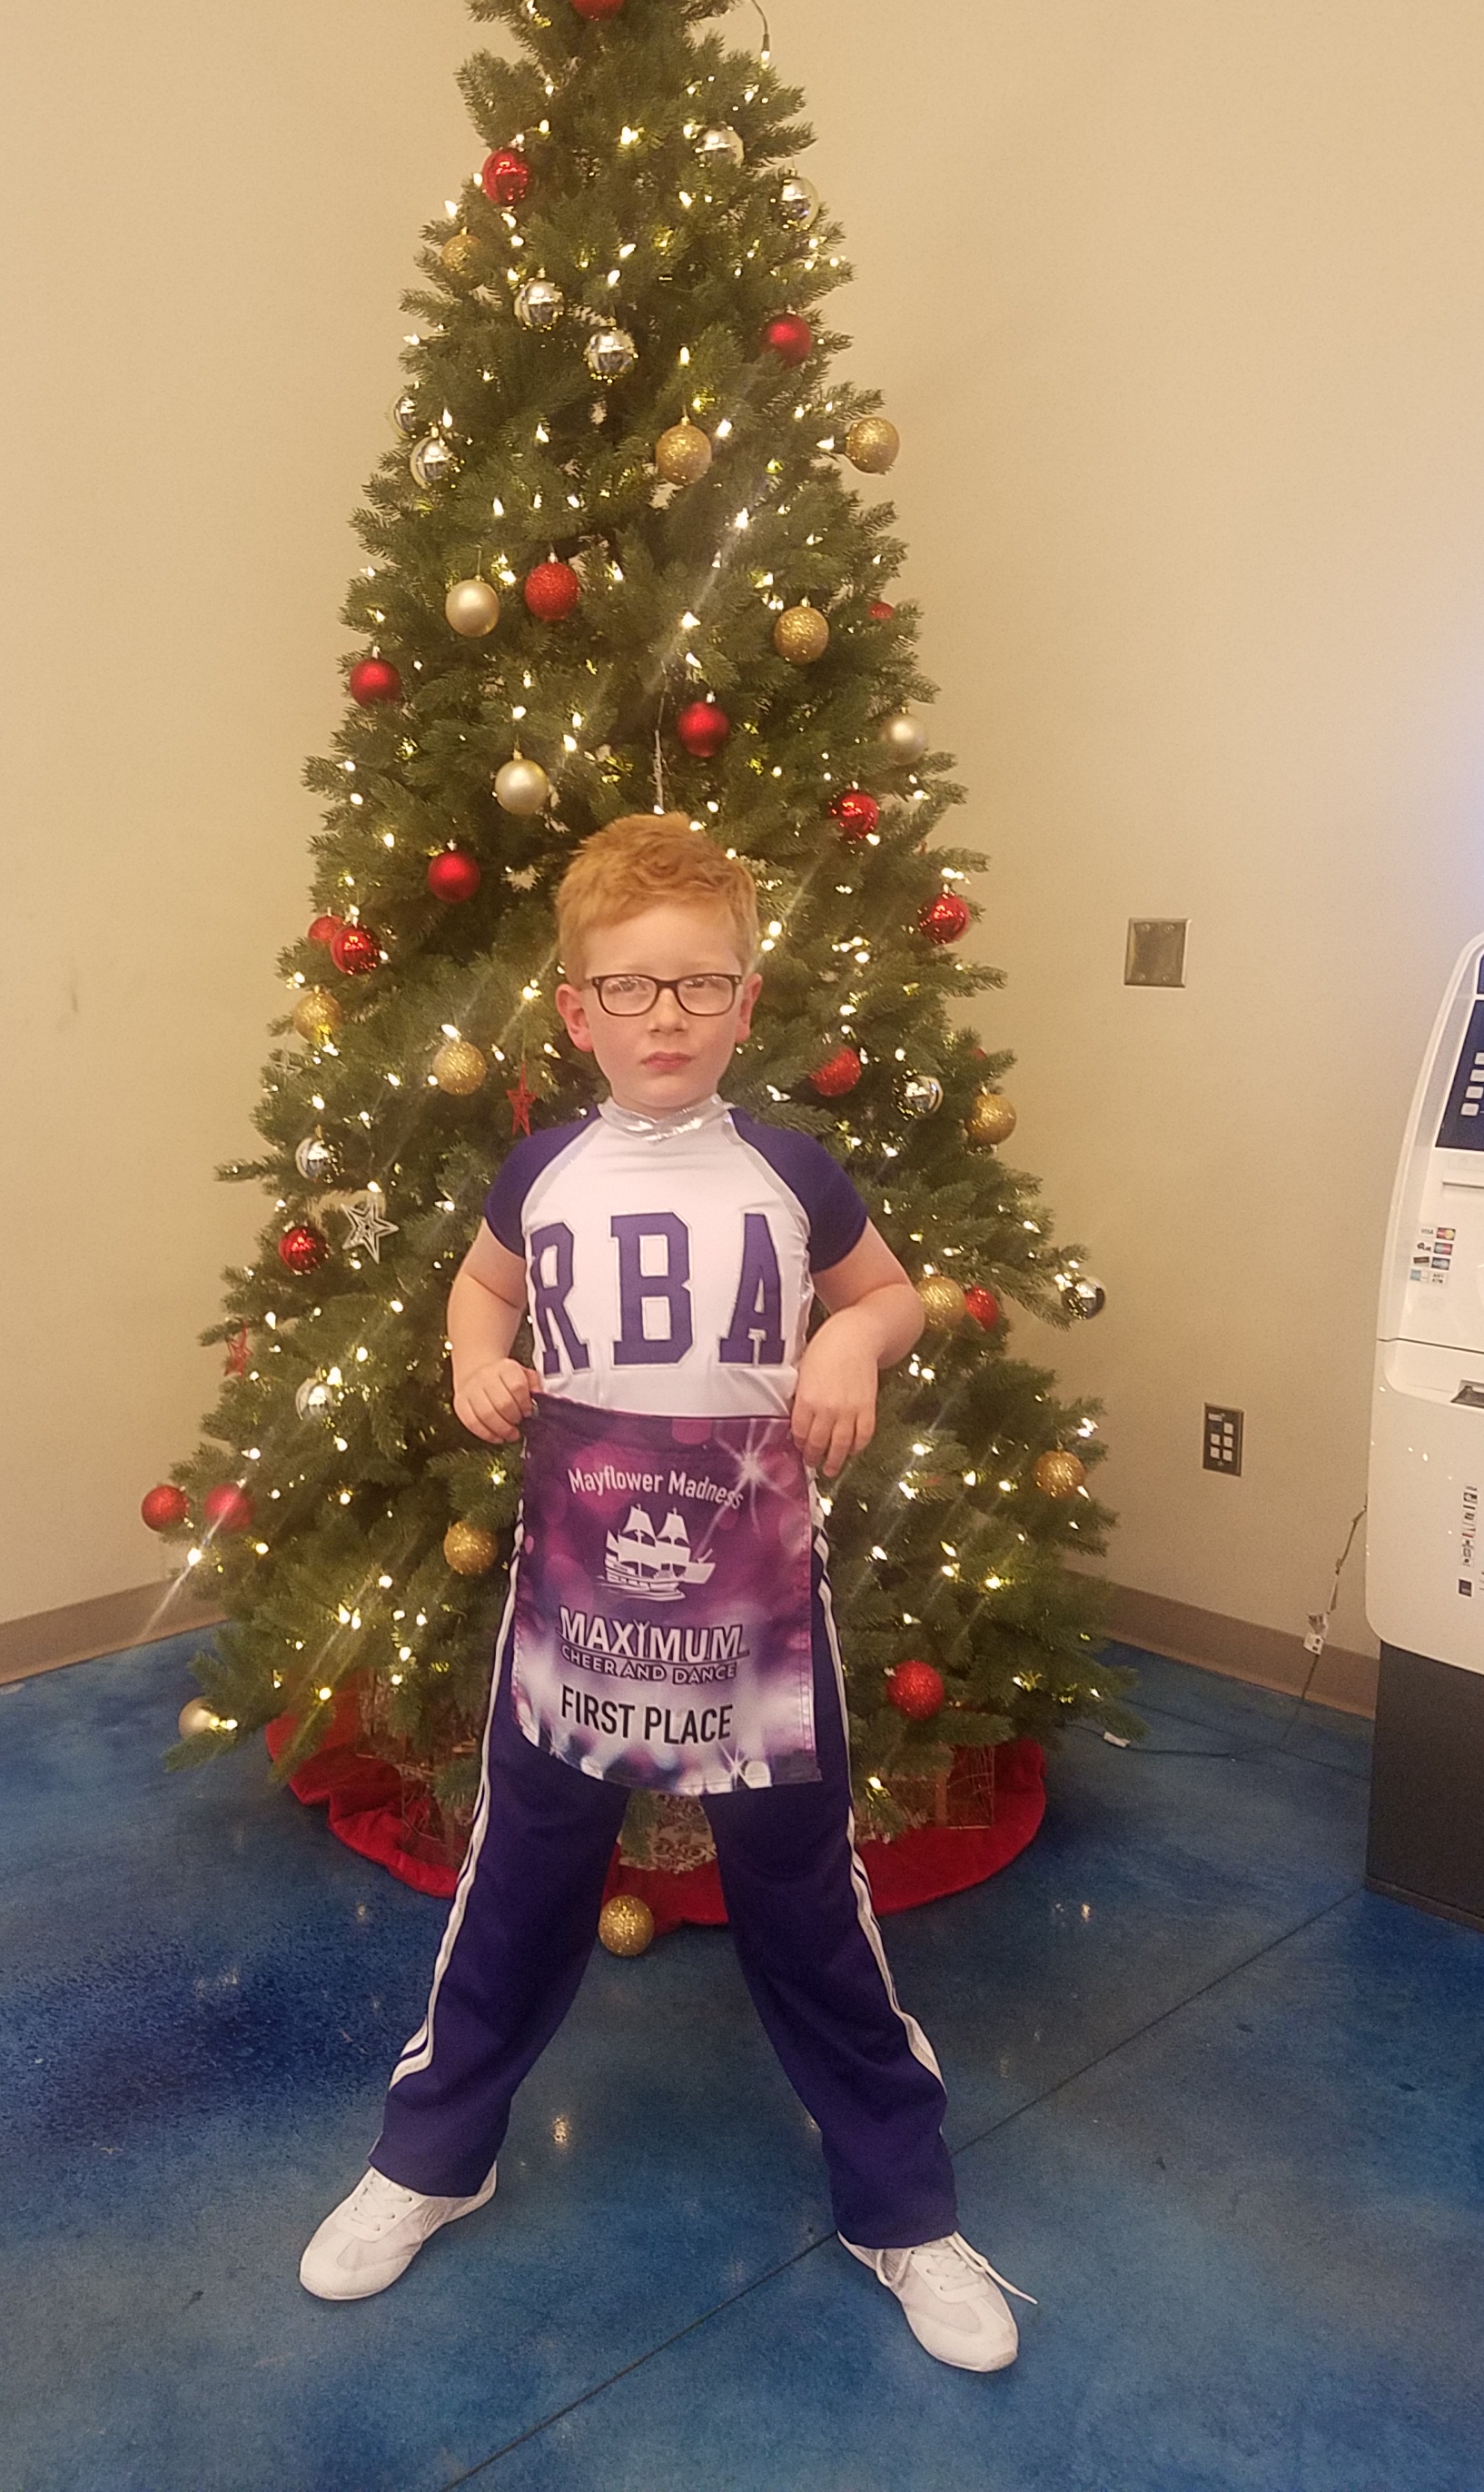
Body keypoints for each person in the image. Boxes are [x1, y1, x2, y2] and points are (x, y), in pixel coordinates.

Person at [299, 813, 1031, 2371]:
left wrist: (851, 1341)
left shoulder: (791, 1168)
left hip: (757, 1614)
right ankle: (434, 2155)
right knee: (519, 1885)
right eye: (630, 990)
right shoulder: (541, 1170)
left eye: (701, 986)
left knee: (806, 1901)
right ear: (576, 1011)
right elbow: (481, 1282)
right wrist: (476, 1360)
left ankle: (900, 2203)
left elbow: (893, 1294)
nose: (667, 1018)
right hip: (576, 1608)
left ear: (747, 1002)